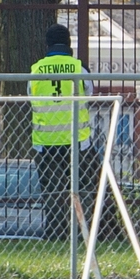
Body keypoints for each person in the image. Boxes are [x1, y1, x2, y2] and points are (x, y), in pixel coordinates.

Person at [28, 23, 98, 241]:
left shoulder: (37, 69)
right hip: (77, 142)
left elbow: (31, 97)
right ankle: (80, 234)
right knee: (84, 189)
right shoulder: (79, 67)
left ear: (47, 44)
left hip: (46, 144)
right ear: (69, 43)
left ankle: (55, 236)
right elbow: (90, 93)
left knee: (52, 194)